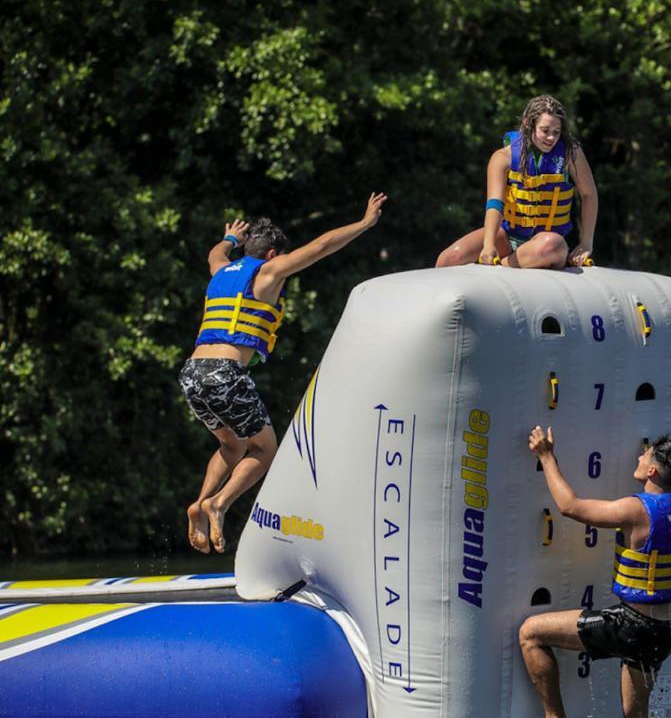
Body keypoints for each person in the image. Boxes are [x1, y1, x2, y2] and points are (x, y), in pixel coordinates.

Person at [179, 193, 387, 554]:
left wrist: (230, 237)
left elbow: (216, 253)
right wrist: (365, 223)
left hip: (192, 373)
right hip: (226, 372)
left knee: (231, 444)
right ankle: (219, 504)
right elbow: (322, 245)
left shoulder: (220, 271)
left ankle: (200, 502)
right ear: (273, 254)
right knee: (264, 451)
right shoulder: (268, 271)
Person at [520, 428, 671, 718]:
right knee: (636, 713)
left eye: (644, 456)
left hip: (633, 623)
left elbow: (570, 507)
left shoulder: (637, 509)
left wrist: (546, 456)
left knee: (531, 634)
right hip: (667, 629)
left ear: (652, 471)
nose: (638, 457)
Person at [435, 95, 598, 270]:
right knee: (450, 258)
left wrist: (586, 242)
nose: (551, 138)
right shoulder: (502, 157)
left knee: (551, 245)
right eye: (545, 130)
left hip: (545, 243)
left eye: (556, 132)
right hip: (508, 235)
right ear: (528, 124)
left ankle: (502, 266)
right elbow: (495, 204)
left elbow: (589, 194)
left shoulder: (570, 153)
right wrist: (488, 245)